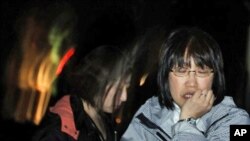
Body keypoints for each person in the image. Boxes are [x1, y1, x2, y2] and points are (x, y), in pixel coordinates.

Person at [121, 27, 250, 141]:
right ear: (166, 76)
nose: (192, 83)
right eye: (182, 71)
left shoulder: (237, 122)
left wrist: (187, 121)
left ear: (215, 77)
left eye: (202, 71)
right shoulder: (148, 115)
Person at [32, 45, 134, 141]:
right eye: (119, 88)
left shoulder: (105, 121)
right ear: (98, 81)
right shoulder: (61, 126)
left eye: (127, 88)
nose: (124, 97)